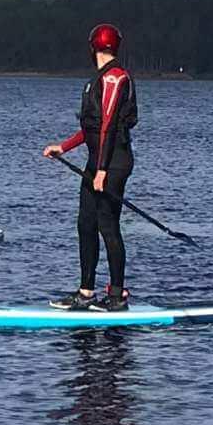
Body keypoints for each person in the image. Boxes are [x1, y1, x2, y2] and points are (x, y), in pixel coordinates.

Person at [44, 23, 137, 312]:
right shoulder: (97, 80)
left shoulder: (114, 79)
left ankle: (117, 294)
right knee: (85, 224)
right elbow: (93, 128)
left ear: (93, 46)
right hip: (96, 162)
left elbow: (109, 125)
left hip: (113, 164)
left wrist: (102, 170)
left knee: (108, 226)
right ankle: (86, 291)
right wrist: (65, 146)